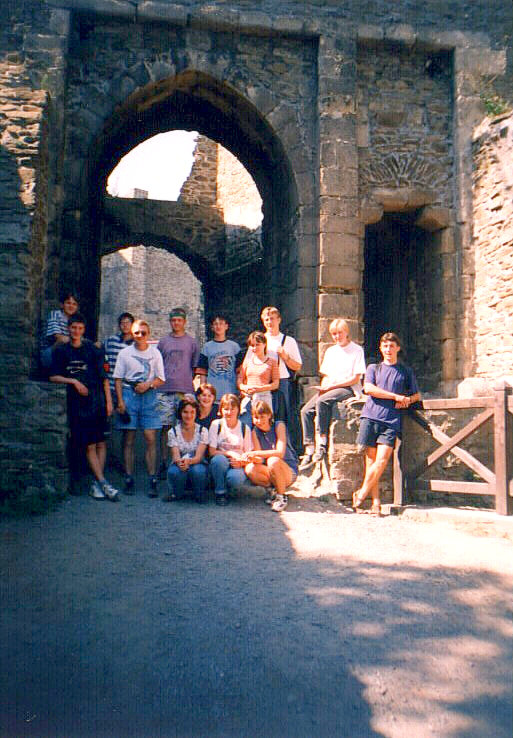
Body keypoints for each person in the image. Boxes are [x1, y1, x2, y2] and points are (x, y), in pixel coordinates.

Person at [49, 313, 120, 501]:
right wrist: (73, 381)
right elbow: (53, 376)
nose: (76, 331)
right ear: (68, 328)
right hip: (79, 404)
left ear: (84, 330)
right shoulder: (61, 350)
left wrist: (109, 402)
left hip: (97, 400)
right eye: (73, 328)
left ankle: (97, 484)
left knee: (101, 442)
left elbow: (104, 378)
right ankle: (103, 483)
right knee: (90, 445)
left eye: (80, 328)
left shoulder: (92, 349)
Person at [353, 332, 421, 516]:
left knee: (382, 461)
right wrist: (395, 397)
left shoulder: (405, 371)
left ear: (398, 348)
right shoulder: (373, 368)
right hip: (371, 417)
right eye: (385, 346)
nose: (388, 349)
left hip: (391, 421)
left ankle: (361, 494)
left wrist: (407, 400)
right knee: (371, 462)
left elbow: (417, 395)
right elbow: (369, 389)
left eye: (391, 346)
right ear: (381, 348)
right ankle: (375, 502)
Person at [299, 318, 366, 470]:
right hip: (331, 387)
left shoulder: (356, 350)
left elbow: (355, 378)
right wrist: (324, 387)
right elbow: (326, 375)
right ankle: (309, 448)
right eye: (334, 334)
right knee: (305, 411)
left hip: (348, 388)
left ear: (346, 332)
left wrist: (333, 386)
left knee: (322, 401)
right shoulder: (331, 351)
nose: (337, 336)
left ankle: (322, 443)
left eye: (340, 333)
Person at [113, 319, 165, 497]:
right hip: (129, 394)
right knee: (129, 438)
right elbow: (118, 379)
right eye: (137, 332)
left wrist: (148, 385)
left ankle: (152, 479)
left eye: (143, 332)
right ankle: (128, 477)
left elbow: (161, 378)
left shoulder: (155, 353)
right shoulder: (125, 353)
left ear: (148, 334)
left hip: (149, 396)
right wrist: (120, 402)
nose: (140, 336)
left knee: (150, 438)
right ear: (132, 334)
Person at [157, 308, 200, 476]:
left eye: (179, 320)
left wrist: (190, 385)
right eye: (173, 320)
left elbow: (195, 368)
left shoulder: (192, 342)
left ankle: (186, 461)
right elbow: (157, 365)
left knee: (186, 426)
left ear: (184, 322)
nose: (176, 323)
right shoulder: (163, 342)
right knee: (165, 428)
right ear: (170, 322)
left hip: (184, 390)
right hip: (165, 390)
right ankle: (163, 461)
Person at [244, 400, 299, 513]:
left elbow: (280, 453)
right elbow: (260, 459)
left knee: (273, 460)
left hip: (287, 469)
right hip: (271, 470)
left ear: (269, 415)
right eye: (256, 417)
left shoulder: (279, 425)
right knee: (250, 468)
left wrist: (256, 453)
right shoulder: (255, 432)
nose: (259, 421)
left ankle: (281, 497)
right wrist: (250, 458)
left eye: (262, 417)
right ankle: (273, 491)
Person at [260, 306, 302, 423]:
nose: (270, 322)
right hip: (263, 382)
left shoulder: (289, 341)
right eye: (267, 319)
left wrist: (285, 357)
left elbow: (297, 366)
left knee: (281, 418)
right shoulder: (259, 340)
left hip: (282, 383)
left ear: (279, 320)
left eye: (272, 318)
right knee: (263, 417)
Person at [208, 394, 252, 506]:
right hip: (222, 461)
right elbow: (212, 452)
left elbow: (248, 454)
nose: (229, 412)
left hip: (237, 464)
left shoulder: (244, 428)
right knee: (218, 460)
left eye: (233, 409)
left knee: (234, 478)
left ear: (238, 410)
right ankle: (220, 492)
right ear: (221, 410)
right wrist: (230, 453)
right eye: (226, 409)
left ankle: (229, 488)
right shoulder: (216, 425)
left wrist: (241, 462)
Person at [165, 397, 209, 503]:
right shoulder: (173, 432)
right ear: (180, 413)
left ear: (196, 413)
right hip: (180, 462)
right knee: (174, 472)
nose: (189, 416)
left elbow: (198, 457)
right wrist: (180, 463)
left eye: (192, 412)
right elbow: (175, 455)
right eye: (185, 412)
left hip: (197, 462)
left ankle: (199, 494)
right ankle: (177, 493)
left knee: (198, 471)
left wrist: (189, 462)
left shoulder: (203, 431)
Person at [195, 315, 243, 398]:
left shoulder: (235, 347)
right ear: (212, 327)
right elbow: (203, 373)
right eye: (215, 324)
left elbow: (240, 372)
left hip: (230, 394)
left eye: (221, 323)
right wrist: (202, 392)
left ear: (226, 326)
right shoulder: (207, 347)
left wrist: (240, 389)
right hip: (212, 395)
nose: (218, 326)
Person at [238, 331, 280, 427]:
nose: (255, 348)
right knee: (246, 426)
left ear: (264, 344)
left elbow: (276, 384)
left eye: (257, 344)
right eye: (252, 345)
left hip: (264, 398)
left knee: (263, 426)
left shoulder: (272, 362)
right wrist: (245, 388)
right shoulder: (247, 362)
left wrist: (260, 389)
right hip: (248, 398)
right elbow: (240, 380)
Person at [41, 289, 80, 370]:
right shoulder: (55, 314)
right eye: (68, 303)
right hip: (50, 352)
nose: (71, 306)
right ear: (62, 305)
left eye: (74, 304)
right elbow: (59, 337)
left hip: (68, 351)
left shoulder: (76, 320)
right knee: (64, 343)